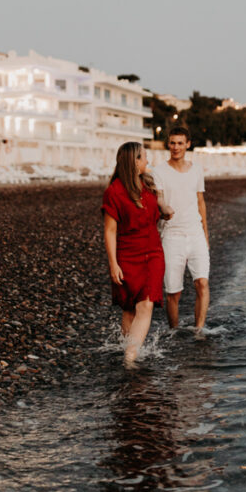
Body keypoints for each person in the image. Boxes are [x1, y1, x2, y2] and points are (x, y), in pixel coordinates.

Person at [102, 141, 167, 364]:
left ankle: (130, 356)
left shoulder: (148, 185)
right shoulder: (114, 192)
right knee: (129, 307)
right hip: (127, 255)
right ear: (134, 161)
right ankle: (127, 347)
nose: (147, 161)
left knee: (146, 303)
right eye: (144, 157)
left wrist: (164, 208)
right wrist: (113, 264)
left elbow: (158, 209)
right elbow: (110, 231)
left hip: (153, 253)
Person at [151, 124, 210, 330]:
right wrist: (163, 207)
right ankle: (174, 332)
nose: (176, 147)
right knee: (173, 292)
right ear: (168, 144)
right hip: (171, 234)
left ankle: (199, 331)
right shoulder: (158, 171)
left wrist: (205, 235)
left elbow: (200, 201)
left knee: (202, 283)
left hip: (195, 234)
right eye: (172, 143)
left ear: (188, 145)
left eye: (180, 143)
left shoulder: (196, 170)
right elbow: (157, 198)